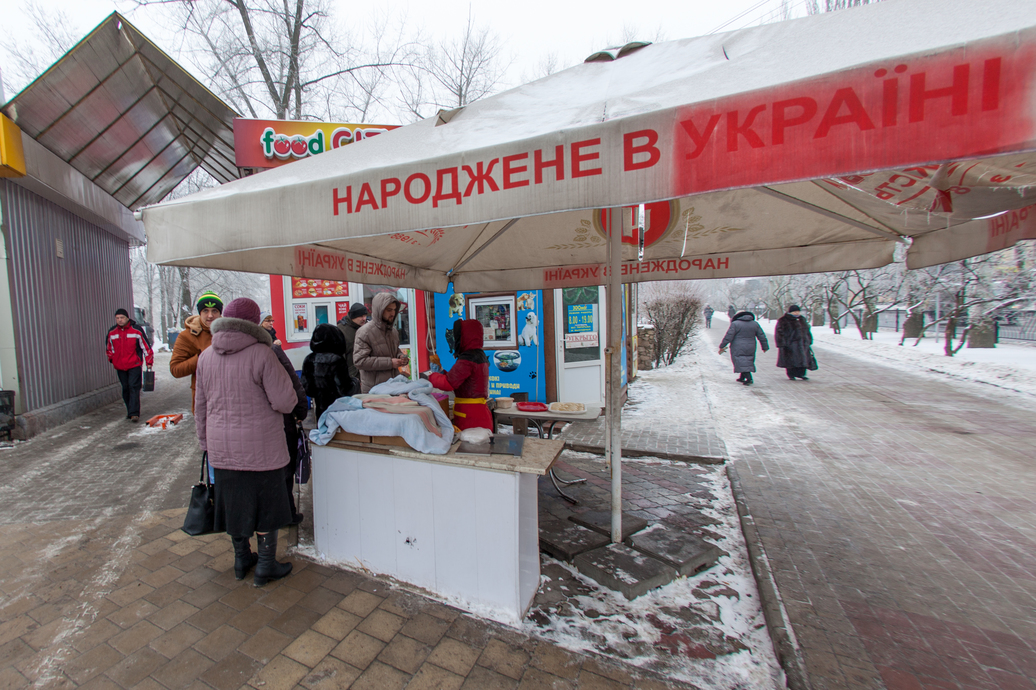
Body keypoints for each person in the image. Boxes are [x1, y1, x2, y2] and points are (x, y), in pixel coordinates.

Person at [194, 297, 298, 586]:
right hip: (262, 448)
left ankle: (241, 560)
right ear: (254, 323)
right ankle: (265, 565)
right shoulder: (263, 354)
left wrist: (205, 442)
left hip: (221, 448)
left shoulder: (206, 356)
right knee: (266, 506)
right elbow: (285, 402)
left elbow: (200, 406)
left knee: (234, 504)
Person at [428, 319, 492, 430]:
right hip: (478, 412)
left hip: (470, 416)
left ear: (464, 337)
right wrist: (441, 371)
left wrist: (431, 377)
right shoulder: (479, 355)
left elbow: (449, 383)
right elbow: (459, 378)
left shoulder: (467, 359)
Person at [171, 291, 223, 412]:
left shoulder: (230, 332)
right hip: (204, 399)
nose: (210, 315)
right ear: (200, 312)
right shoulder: (187, 336)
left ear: (220, 313)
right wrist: (201, 358)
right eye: (205, 311)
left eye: (214, 311)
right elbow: (175, 369)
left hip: (231, 396)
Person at [354, 292, 408, 393]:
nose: (392, 313)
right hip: (374, 391)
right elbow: (360, 361)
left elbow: (395, 351)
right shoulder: (364, 332)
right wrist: (390, 363)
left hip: (394, 387)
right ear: (379, 310)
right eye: (389, 310)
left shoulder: (393, 331)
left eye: (394, 310)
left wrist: (401, 357)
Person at [107, 308, 154, 422]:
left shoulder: (136, 330)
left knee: (134, 387)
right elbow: (109, 348)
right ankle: (130, 411)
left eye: (122, 318)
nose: (120, 320)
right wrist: (112, 359)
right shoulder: (112, 332)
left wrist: (149, 362)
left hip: (134, 364)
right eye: (117, 318)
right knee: (126, 388)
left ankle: (134, 413)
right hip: (120, 366)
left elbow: (146, 347)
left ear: (127, 318)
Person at [301, 323, 354, 422]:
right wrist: (355, 382)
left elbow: (308, 389)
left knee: (323, 429)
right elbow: (345, 389)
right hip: (339, 409)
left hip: (320, 410)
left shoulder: (309, 359)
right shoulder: (336, 360)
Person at [718, 310, 768, 385]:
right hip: (751, 346)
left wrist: (722, 345)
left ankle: (749, 378)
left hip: (738, 346)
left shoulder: (735, 324)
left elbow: (729, 336)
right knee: (747, 360)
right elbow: (761, 336)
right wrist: (765, 347)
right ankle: (742, 377)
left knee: (740, 360)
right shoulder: (755, 324)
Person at [336, 302, 368, 393]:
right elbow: (339, 358)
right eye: (361, 316)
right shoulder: (341, 330)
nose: (364, 318)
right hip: (351, 376)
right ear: (353, 316)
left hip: (367, 374)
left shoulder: (367, 327)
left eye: (365, 315)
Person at [775, 304, 813, 380]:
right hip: (790, 344)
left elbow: (807, 331)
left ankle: (801, 374)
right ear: (790, 312)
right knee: (791, 360)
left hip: (803, 343)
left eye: (798, 311)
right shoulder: (784, 320)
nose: (796, 313)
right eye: (795, 312)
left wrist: (809, 340)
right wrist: (782, 343)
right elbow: (779, 332)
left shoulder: (802, 319)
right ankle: (791, 374)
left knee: (803, 359)